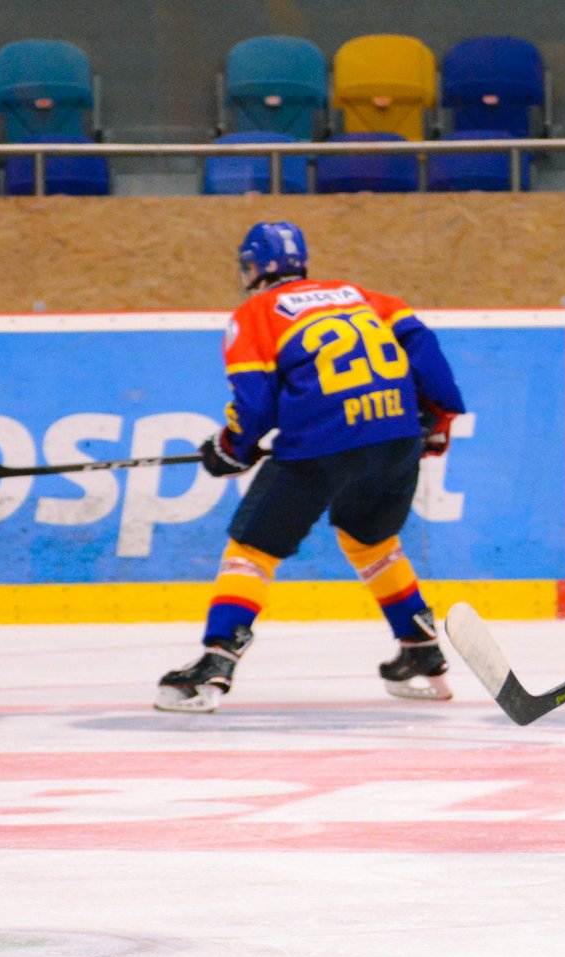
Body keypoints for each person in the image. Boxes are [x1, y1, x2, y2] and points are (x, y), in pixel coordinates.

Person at [155, 222, 467, 711]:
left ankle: (216, 660)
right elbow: (426, 355)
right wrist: (438, 418)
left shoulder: (254, 314)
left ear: (254, 267)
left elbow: (256, 407)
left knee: (252, 549)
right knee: (371, 540)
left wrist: (230, 448)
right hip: (396, 435)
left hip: (322, 443)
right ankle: (421, 648)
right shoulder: (367, 297)